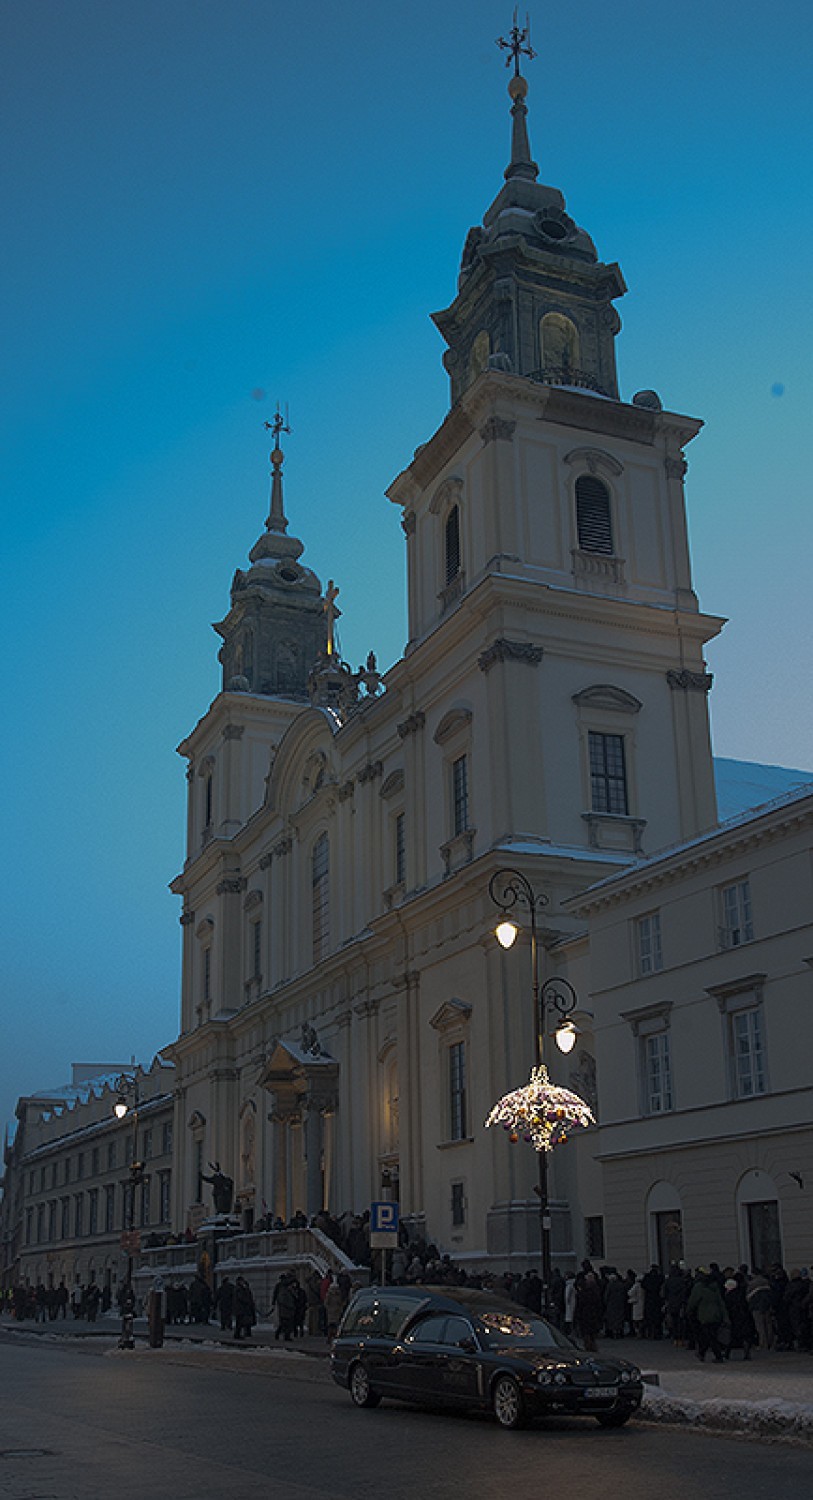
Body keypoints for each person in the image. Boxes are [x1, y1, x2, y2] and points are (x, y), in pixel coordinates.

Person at [687, 1269, 728, 1362]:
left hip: (704, 1315)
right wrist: (724, 1315)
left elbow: (693, 1301)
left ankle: (716, 1356)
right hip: (717, 1314)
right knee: (710, 1335)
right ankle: (702, 1353)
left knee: (708, 1336)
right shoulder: (715, 1288)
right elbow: (720, 1302)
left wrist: (689, 1310)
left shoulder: (699, 1288)